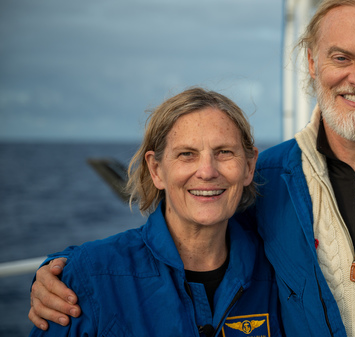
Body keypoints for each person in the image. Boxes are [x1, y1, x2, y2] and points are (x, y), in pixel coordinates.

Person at [29, 1, 355, 336]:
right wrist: (67, 272)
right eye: (340, 57)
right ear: (311, 63)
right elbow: (188, 244)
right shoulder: (268, 178)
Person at [28, 87, 283, 336]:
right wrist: (63, 271)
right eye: (187, 154)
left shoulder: (281, 271)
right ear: (156, 170)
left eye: (224, 152)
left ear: (249, 167)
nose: (207, 171)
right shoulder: (89, 278)